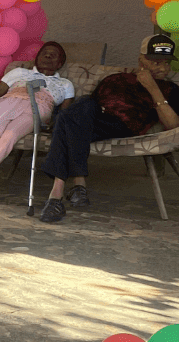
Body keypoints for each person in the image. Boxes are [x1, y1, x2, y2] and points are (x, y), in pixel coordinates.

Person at [38, 34, 179, 222]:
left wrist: (153, 88)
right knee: (81, 108)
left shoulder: (170, 89)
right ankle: (69, 191)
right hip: (91, 121)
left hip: (122, 126)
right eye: (156, 62)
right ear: (141, 60)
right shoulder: (116, 79)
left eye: (167, 63)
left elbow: (172, 124)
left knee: (67, 120)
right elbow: (91, 106)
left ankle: (62, 192)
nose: (163, 68)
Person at [0, 42, 75, 201]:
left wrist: (53, 124)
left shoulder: (65, 84)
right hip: (8, 101)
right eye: (44, 53)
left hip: (38, 107)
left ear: (59, 64)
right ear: (37, 58)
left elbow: (65, 113)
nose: (48, 56)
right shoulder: (18, 72)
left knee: (9, 137)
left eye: (54, 55)